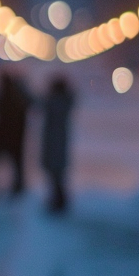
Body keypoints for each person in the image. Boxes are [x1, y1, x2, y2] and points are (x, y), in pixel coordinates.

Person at [0, 71, 30, 197]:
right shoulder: (17, 98)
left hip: (6, 136)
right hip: (15, 137)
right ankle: (15, 186)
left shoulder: (4, 97)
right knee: (15, 165)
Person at [40, 76, 76, 214]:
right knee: (57, 177)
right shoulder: (64, 102)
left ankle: (59, 203)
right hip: (58, 145)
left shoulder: (56, 103)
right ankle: (58, 202)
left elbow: (41, 104)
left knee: (56, 177)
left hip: (54, 145)